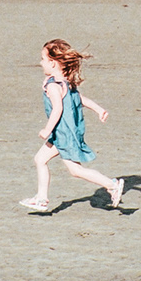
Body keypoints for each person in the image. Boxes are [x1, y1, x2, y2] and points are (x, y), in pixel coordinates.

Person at [20, 38, 128, 212]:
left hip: (64, 134)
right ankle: (41, 198)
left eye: (43, 59)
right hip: (63, 133)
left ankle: (112, 184)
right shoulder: (66, 82)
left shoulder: (54, 86)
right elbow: (79, 99)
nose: (41, 63)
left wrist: (47, 129)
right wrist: (98, 109)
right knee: (40, 159)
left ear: (53, 63)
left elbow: (57, 109)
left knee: (75, 170)